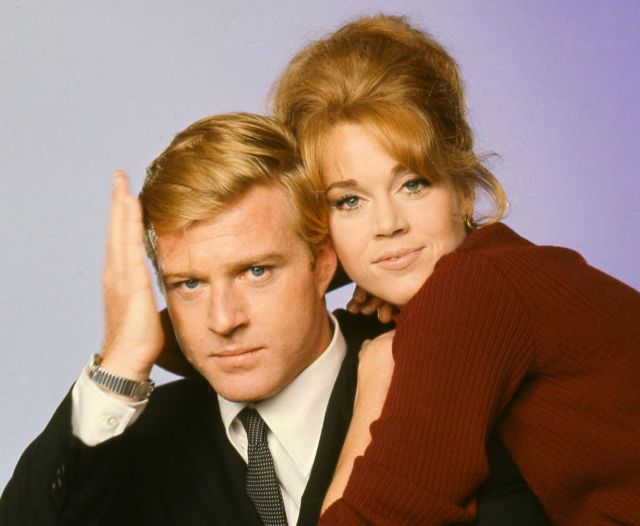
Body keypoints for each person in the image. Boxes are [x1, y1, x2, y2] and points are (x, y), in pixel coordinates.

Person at [0, 112, 547, 526]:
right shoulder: (138, 441)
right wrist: (119, 364)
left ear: (322, 263)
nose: (222, 320)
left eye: (256, 271)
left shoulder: (442, 384)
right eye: (189, 284)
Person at [271, 14, 640, 526]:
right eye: (349, 201)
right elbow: (233, 343)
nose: (388, 224)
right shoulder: (501, 271)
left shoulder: (473, 289)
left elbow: (383, 515)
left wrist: (377, 377)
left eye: (414, 184)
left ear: (464, 191)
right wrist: (333, 271)